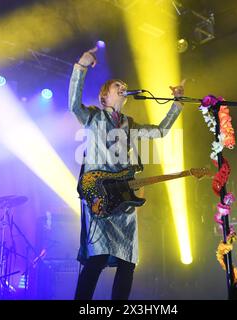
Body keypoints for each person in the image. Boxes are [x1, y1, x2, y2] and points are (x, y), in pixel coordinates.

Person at [70, 46, 184, 300]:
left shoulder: (129, 124)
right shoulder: (93, 117)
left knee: (128, 262)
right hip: (98, 191)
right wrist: (81, 66)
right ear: (105, 97)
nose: (123, 87)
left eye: (124, 85)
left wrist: (176, 104)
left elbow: (160, 131)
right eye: (116, 86)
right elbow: (73, 105)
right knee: (97, 258)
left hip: (124, 196)